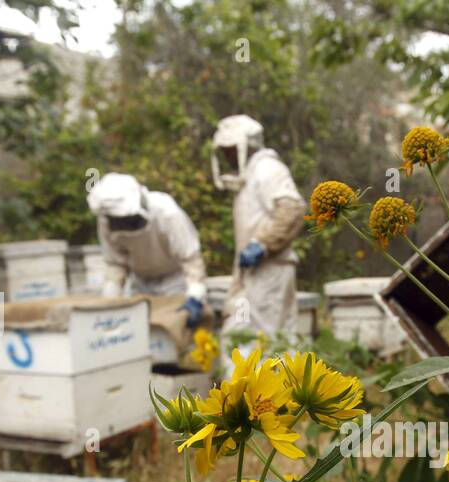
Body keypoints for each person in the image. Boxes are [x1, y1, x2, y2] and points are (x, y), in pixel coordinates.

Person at [211, 115, 307, 341]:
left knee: (264, 339)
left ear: (242, 146)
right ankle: (251, 376)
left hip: (270, 273)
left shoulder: (267, 169)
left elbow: (291, 209)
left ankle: (271, 377)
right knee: (245, 334)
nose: (227, 156)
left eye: (229, 149)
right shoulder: (252, 176)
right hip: (255, 275)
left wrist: (262, 245)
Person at [86, 172, 208, 331]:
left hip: (175, 280)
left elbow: (191, 260)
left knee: (177, 329)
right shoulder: (106, 221)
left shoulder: (167, 213)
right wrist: (110, 302)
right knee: (140, 332)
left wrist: (195, 296)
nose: (122, 224)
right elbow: (116, 264)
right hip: (141, 282)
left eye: (125, 220)